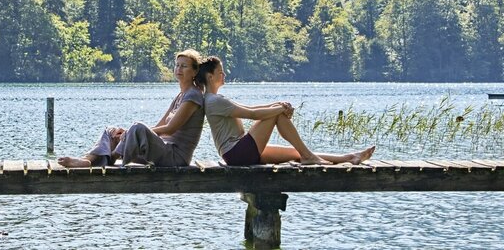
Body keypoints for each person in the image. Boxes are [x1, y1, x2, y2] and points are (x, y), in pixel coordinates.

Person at [196, 56, 375, 166]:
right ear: (210, 76)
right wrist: (280, 109)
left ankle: (350, 157)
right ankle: (308, 156)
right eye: (221, 72)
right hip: (237, 153)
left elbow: (251, 109)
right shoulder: (214, 100)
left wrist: (277, 104)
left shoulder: (215, 99)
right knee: (278, 116)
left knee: (294, 153)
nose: (224, 75)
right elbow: (253, 115)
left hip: (239, 152)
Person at [57, 50, 205, 167]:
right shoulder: (181, 95)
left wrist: (131, 133)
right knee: (112, 131)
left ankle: (112, 157)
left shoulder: (193, 96)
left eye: (184, 66)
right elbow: (161, 125)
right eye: (177, 65)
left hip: (174, 157)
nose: (179, 69)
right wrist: (127, 134)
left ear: (195, 71)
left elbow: (170, 129)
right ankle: (87, 160)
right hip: (161, 150)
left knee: (137, 127)